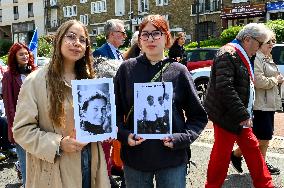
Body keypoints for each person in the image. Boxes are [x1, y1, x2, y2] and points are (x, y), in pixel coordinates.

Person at [12, 20, 110, 188]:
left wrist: (107, 126)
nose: (77, 43)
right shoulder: (35, 81)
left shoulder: (90, 81)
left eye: (82, 39)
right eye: (71, 37)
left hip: (90, 162)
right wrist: (58, 143)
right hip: (55, 169)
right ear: (59, 40)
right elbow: (21, 131)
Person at [115, 14, 208, 188]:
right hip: (136, 157)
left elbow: (198, 117)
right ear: (140, 40)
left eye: (156, 33)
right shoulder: (126, 69)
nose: (150, 39)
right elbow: (114, 112)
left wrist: (181, 138)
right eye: (145, 34)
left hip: (171, 157)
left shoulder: (179, 71)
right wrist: (124, 135)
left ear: (166, 37)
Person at [204, 23, 274, 187]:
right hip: (227, 116)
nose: (258, 48)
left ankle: (265, 184)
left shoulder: (236, 53)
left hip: (236, 114)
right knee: (222, 155)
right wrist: (243, 114)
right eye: (259, 43)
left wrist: (243, 114)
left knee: (251, 148)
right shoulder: (228, 53)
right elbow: (224, 88)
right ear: (248, 39)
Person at [231, 30, 282, 175]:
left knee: (262, 137)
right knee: (262, 138)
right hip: (260, 105)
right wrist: (275, 80)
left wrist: (277, 79)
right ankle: (258, 166)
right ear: (260, 44)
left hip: (269, 104)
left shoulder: (267, 57)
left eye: (273, 41)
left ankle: (242, 158)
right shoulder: (257, 58)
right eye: (269, 41)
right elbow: (258, 81)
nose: (272, 44)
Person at [93, 18, 126, 188]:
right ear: (112, 34)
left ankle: (113, 168)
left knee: (116, 141)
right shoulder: (100, 52)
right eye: (122, 32)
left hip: (119, 104)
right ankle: (104, 177)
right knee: (105, 143)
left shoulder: (120, 54)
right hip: (106, 105)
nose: (124, 36)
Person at [2, 42, 37, 185]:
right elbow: (9, 104)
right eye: (20, 54)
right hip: (21, 125)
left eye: (26, 53)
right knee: (25, 163)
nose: (25, 56)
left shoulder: (35, 72)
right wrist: (13, 128)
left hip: (38, 123)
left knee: (38, 161)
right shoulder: (9, 76)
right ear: (14, 57)